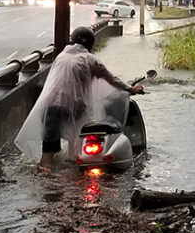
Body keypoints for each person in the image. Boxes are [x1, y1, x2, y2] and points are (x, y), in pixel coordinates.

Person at [15, 26, 142, 170]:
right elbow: (112, 79)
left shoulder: (61, 56)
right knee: (81, 137)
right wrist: (131, 89)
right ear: (91, 44)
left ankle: (46, 173)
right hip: (74, 107)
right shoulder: (90, 59)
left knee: (47, 154)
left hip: (49, 106)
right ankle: (76, 162)